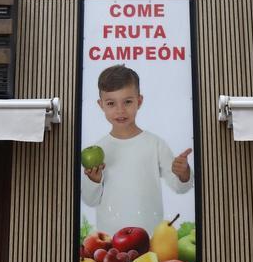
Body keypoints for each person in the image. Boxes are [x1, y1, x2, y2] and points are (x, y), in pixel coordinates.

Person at [81, 64, 193, 234]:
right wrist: (93, 180)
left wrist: (183, 173)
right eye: (111, 103)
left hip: (150, 237)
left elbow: (180, 187)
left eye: (127, 102)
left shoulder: (155, 144)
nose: (120, 110)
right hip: (110, 239)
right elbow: (90, 201)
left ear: (139, 102)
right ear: (101, 105)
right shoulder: (100, 149)